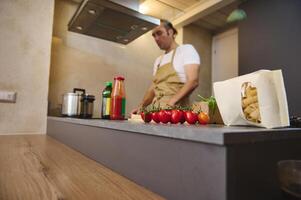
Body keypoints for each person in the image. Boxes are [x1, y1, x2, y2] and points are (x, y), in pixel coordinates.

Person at [131, 20, 200, 114]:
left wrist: (171, 103)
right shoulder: (158, 61)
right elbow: (153, 88)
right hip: (156, 112)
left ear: (170, 32)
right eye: (154, 35)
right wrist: (141, 106)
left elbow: (193, 81)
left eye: (159, 33)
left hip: (177, 113)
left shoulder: (186, 50)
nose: (156, 38)